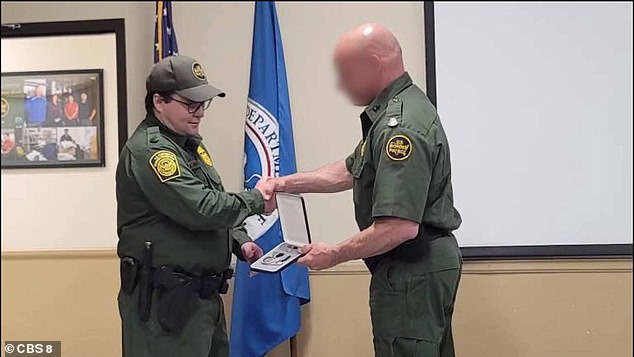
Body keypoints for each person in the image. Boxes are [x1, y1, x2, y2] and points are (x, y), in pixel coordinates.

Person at [270, 24, 463, 357]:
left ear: (374, 64)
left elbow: (398, 226)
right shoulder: (397, 110)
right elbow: (351, 169)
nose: (340, 84)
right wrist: (286, 183)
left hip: (411, 268)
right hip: (417, 266)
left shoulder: (400, 125)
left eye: (345, 73)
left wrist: (334, 254)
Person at [116, 55, 276, 357]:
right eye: (190, 104)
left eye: (203, 103)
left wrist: (239, 242)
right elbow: (200, 208)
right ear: (159, 102)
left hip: (200, 302)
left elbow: (208, 198)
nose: (200, 112)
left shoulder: (188, 146)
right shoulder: (151, 152)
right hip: (165, 306)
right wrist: (257, 199)